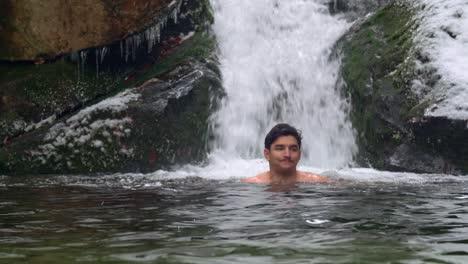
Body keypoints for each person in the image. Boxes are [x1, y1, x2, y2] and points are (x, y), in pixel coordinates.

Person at [242, 123, 329, 184]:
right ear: (267, 154)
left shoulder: (319, 182)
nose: (287, 154)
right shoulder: (250, 184)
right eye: (280, 148)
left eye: (293, 149)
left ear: (299, 155)